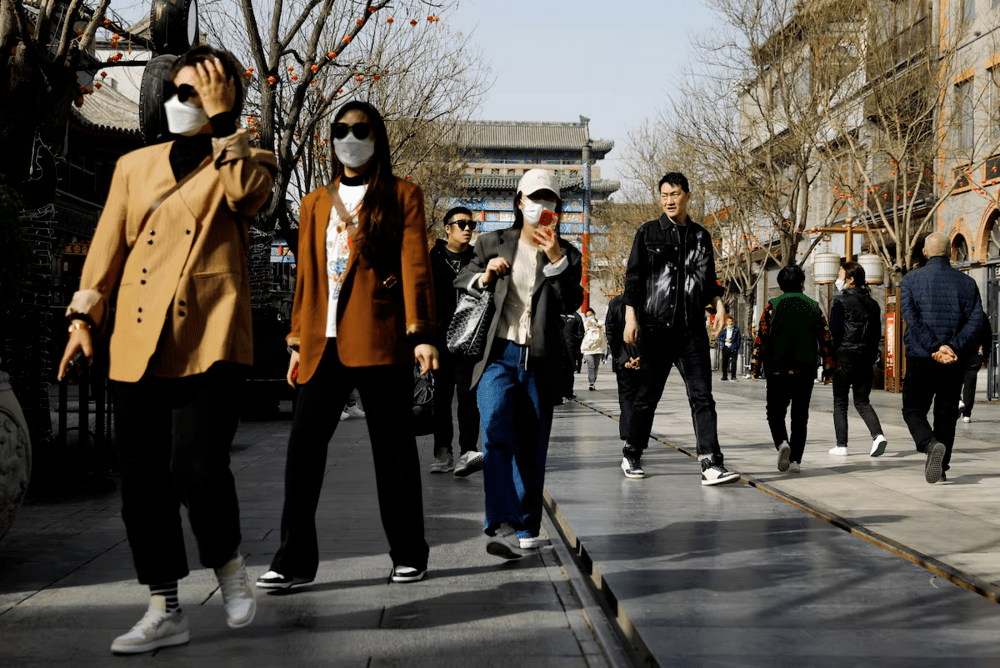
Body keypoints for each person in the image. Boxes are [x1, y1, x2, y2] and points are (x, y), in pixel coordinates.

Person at [57, 45, 277, 654]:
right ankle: (165, 607)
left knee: (198, 466)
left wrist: (227, 123)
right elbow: (107, 245)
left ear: (225, 98)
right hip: (135, 336)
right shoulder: (133, 165)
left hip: (210, 334)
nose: (187, 103)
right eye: (179, 92)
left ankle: (228, 565)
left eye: (200, 93)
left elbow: (247, 198)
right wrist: (82, 317)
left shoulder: (248, 158)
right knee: (142, 480)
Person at [256, 100, 437, 590]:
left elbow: (415, 266)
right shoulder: (315, 203)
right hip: (322, 342)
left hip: (379, 340)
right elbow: (307, 279)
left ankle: (408, 554)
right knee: (303, 449)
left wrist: (420, 334)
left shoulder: (403, 195)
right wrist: (296, 340)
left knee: (394, 452)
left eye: (360, 129)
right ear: (331, 139)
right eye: (341, 129)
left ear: (376, 137)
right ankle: (292, 560)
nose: (350, 137)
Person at [456, 168, 583, 558]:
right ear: (519, 203)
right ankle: (502, 523)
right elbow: (463, 278)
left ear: (557, 208)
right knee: (495, 431)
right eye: (534, 198)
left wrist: (556, 257)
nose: (541, 206)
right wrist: (486, 275)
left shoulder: (568, 253)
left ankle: (527, 525)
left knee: (531, 448)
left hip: (541, 361)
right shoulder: (493, 242)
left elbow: (571, 302)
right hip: (498, 355)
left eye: (549, 200)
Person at [620, 172, 740, 485]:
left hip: (691, 331)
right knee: (648, 395)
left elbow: (709, 282)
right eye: (664, 195)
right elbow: (633, 279)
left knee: (703, 397)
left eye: (674, 194)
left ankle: (711, 463)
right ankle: (632, 451)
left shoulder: (702, 237)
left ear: (687, 195)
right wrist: (631, 318)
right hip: (655, 329)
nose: (669, 200)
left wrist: (720, 305)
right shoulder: (648, 233)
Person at [900, 232, 983, 483]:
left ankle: (928, 444)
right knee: (946, 413)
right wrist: (951, 347)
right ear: (950, 253)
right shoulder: (967, 283)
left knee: (913, 408)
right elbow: (976, 321)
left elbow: (911, 318)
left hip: (921, 356)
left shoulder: (911, 280)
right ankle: (942, 467)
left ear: (925, 252)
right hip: (953, 360)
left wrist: (934, 347)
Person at [750, 265, 835, 473]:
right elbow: (826, 339)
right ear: (802, 284)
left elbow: (761, 338)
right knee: (800, 415)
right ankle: (795, 460)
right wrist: (829, 367)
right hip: (805, 370)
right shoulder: (813, 306)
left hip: (777, 369)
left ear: (779, 285)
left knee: (775, 412)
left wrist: (755, 365)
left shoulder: (773, 306)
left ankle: (782, 443)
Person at [428, 206, 483, 475]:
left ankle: (468, 452)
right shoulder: (432, 260)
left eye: (471, 224)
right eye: (461, 224)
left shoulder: (479, 259)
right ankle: (442, 451)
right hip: (439, 338)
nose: (467, 228)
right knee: (441, 397)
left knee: (468, 397)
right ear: (447, 228)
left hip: (471, 339)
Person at [827, 262, 887, 457]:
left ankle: (841, 445)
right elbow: (877, 333)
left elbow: (834, 332)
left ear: (850, 279)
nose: (838, 278)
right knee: (862, 401)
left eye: (841, 274)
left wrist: (829, 358)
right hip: (866, 359)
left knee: (840, 402)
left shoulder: (840, 301)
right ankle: (878, 436)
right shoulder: (873, 304)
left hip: (844, 358)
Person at [605, 294, 642, 453]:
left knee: (627, 398)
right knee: (642, 401)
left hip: (624, 360)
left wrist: (623, 358)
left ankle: (629, 438)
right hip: (644, 360)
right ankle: (637, 437)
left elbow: (611, 333)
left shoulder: (615, 303)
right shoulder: (648, 300)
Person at [959, 308, 993, 423]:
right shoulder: (980, 314)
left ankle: (958, 401)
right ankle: (967, 414)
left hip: (957, 350)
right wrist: (986, 354)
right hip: (974, 353)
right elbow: (987, 335)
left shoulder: (957, 310)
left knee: (953, 379)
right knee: (970, 383)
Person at [560, 310, 584, 400]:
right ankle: (568, 393)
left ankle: (559, 392)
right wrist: (578, 347)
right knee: (569, 371)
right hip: (571, 348)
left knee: (558, 371)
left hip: (556, 348)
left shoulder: (554, 312)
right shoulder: (577, 316)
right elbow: (581, 333)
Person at [581, 307, 606, 391]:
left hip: (598, 348)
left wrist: (600, 327)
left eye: (591, 315)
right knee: (590, 366)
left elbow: (606, 331)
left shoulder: (600, 323)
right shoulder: (585, 324)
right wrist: (586, 327)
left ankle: (593, 380)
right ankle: (591, 383)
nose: (590, 317)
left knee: (595, 366)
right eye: (588, 316)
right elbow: (581, 333)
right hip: (588, 348)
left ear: (594, 314)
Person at [717, 315, 742, 381]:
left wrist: (737, 347)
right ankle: (724, 376)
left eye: (732, 321)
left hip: (733, 347)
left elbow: (739, 339)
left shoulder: (736, 330)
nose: (731, 323)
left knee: (734, 363)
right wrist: (725, 339)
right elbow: (719, 337)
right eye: (729, 321)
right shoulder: (724, 329)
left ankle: (733, 376)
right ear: (727, 322)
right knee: (725, 362)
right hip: (725, 347)